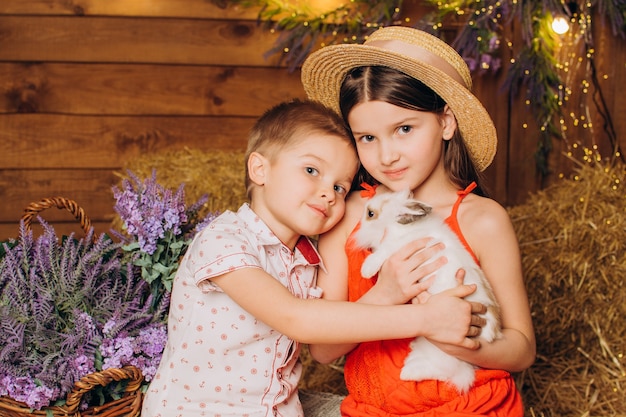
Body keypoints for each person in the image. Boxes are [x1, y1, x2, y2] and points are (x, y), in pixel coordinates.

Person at [141, 99, 487, 417]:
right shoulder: (224, 240)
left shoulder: (307, 260)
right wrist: (425, 318)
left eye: (340, 186)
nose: (328, 192)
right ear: (260, 170)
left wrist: (387, 292)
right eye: (311, 171)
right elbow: (298, 319)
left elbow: (326, 340)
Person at [300, 26, 536, 416]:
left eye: (404, 129)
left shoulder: (482, 220)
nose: (387, 155)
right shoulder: (347, 214)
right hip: (373, 409)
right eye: (367, 138)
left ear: (446, 122)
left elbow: (522, 348)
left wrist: (454, 339)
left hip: (472, 407)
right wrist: (386, 295)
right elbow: (323, 350)